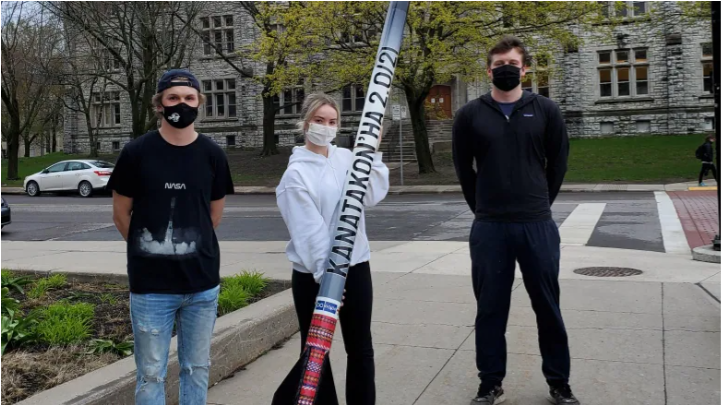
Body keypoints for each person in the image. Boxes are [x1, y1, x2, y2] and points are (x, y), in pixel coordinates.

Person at [452, 36, 578, 405]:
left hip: (536, 224)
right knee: (490, 308)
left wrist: (539, 203)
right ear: (488, 71)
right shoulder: (470, 115)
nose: (506, 69)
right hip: (490, 227)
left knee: (548, 307)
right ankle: (490, 383)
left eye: (513, 63)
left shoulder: (546, 110)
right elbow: (464, 171)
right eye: (498, 64)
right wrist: (484, 210)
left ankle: (559, 383)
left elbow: (558, 165)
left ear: (525, 69)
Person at [108, 69, 234, 405]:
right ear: (160, 105)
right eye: (174, 98)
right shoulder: (136, 153)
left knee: (197, 367)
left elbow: (213, 217)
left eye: (189, 98)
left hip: (201, 285)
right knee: (150, 373)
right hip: (151, 288)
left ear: (199, 103)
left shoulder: (213, 155)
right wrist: (148, 251)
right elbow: (122, 215)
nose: (182, 104)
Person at [275, 93, 389, 405]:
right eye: (319, 120)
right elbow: (308, 232)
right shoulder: (295, 175)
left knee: (361, 349)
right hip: (315, 276)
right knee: (316, 353)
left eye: (332, 121)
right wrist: (329, 280)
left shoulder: (346, 159)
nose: (326, 127)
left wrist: (372, 154)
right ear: (305, 123)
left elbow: (372, 195)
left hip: (356, 266)